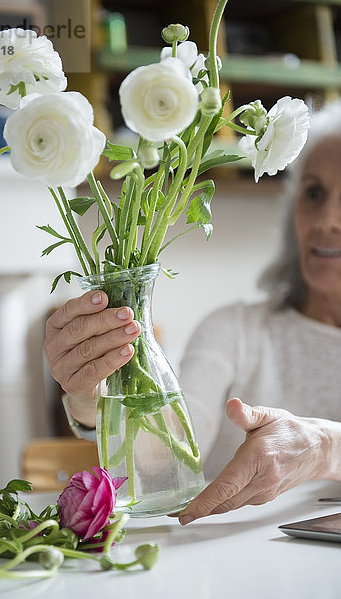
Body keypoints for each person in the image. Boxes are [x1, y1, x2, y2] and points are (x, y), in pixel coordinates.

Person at [44, 102, 341, 526]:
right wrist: (89, 397)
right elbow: (163, 467)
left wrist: (325, 447)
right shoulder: (234, 331)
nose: (327, 220)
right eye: (314, 193)